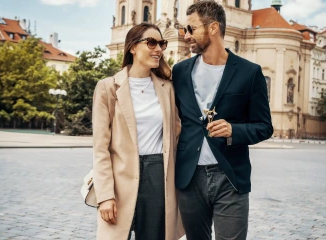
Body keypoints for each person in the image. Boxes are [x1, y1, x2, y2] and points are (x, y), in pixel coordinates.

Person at [172, 1, 273, 240]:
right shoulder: (180, 72)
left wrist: (233, 130)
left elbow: (265, 127)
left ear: (213, 28)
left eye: (192, 28)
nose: (186, 36)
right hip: (189, 177)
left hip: (230, 176)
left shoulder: (250, 72)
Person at [92, 23, 182, 240]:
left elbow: (177, 134)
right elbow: (101, 148)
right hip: (119, 178)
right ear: (132, 47)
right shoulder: (108, 88)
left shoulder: (167, 88)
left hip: (158, 177)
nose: (158, 49)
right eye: (151, 42)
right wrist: (105, 195)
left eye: (161, 43)